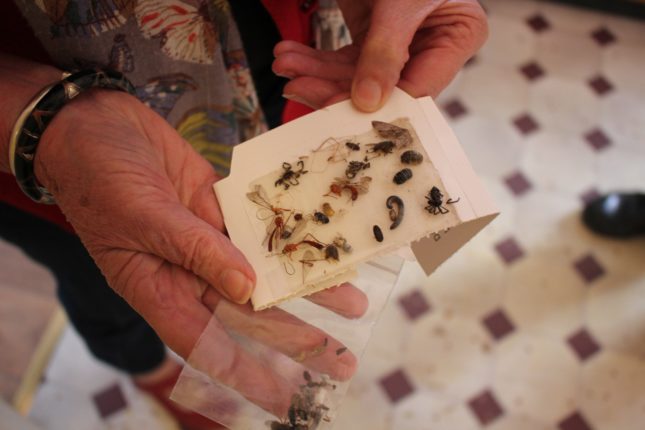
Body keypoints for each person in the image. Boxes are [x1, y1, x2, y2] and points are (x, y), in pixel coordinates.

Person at [0, 0, 488, 428]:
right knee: (102, 280)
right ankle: (149, 372)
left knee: (237, 206)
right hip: (53, 146)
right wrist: (38, 122)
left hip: (269, 43)